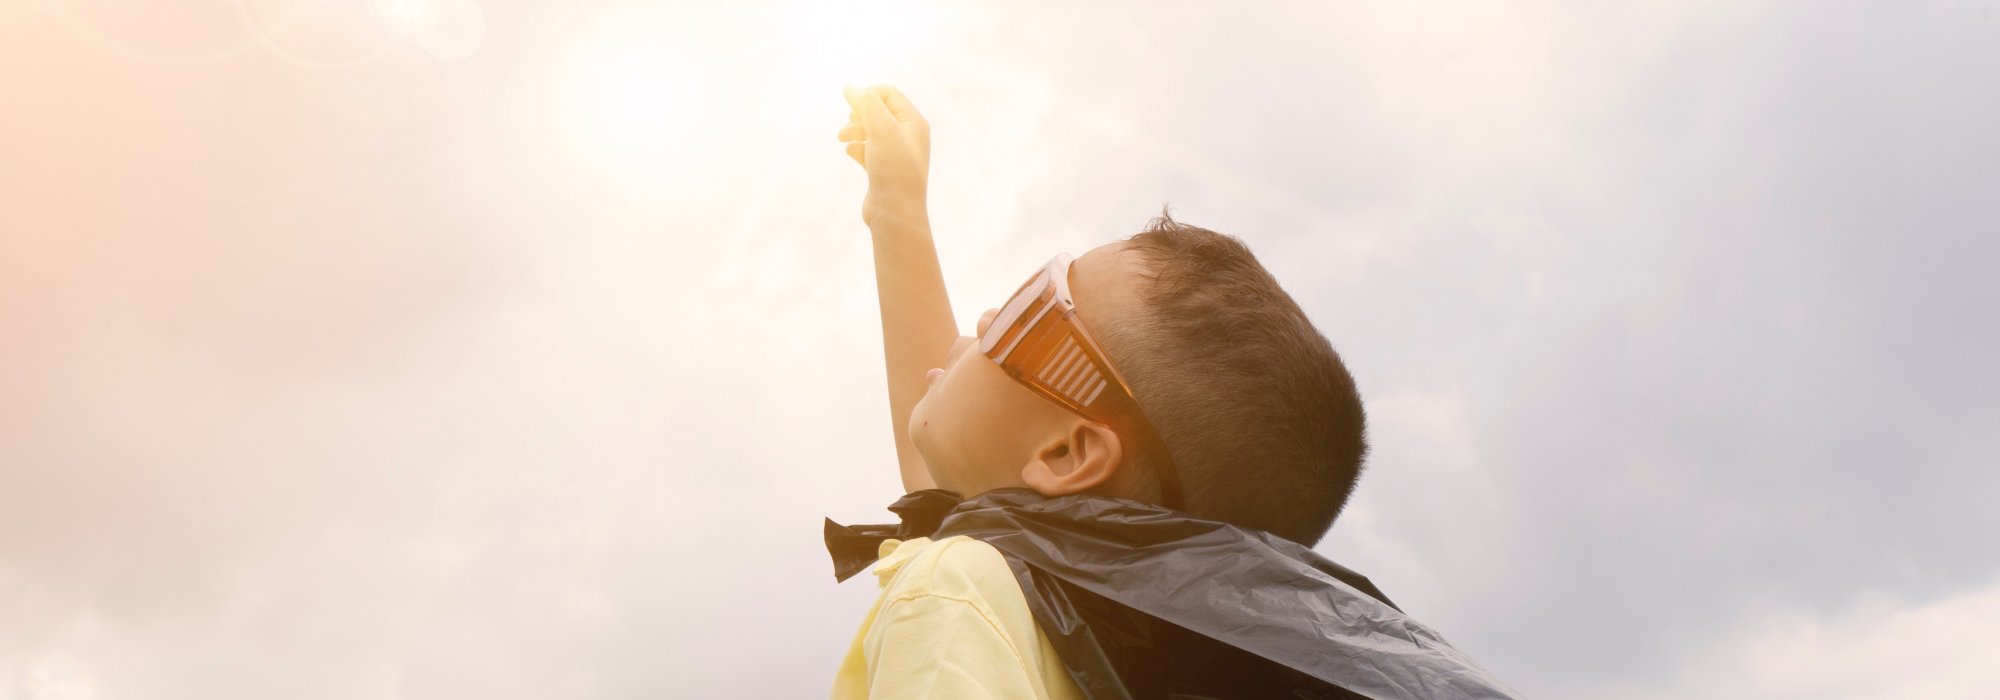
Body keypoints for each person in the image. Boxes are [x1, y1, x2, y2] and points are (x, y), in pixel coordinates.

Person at [827, 84, 1515, 699]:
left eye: (1026, 310)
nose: (983, 320)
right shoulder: (1106, 636)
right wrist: (896, 207)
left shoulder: (959, 592)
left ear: (1069, 453)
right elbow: (951, 479)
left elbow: (957, 519)